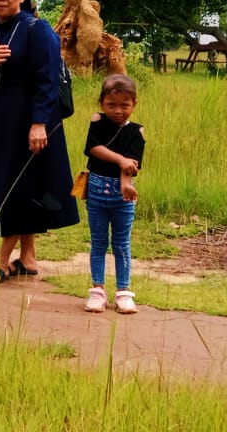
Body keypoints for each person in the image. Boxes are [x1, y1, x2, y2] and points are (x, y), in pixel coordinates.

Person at [0, 0, 79, 286]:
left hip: (33, 122)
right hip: (2, 123)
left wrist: (39, 124)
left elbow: (47, 81)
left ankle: (1, 260)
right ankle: (28, 257)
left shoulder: (38, 29)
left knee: (17, 188)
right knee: (19, 186)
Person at [82, 73, 145, 314]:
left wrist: (125, 183)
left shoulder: (137, 132)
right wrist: (120, 160)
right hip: (96, 191)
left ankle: (123, 292)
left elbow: (133, 164)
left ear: (134, 105)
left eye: (124, 105)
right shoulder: (97, 122)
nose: (118, 111)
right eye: (111, 105)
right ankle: (97, 290)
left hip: (123, 196)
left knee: (121, 243)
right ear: (101, 103)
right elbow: (93, 149)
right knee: (98, 242)